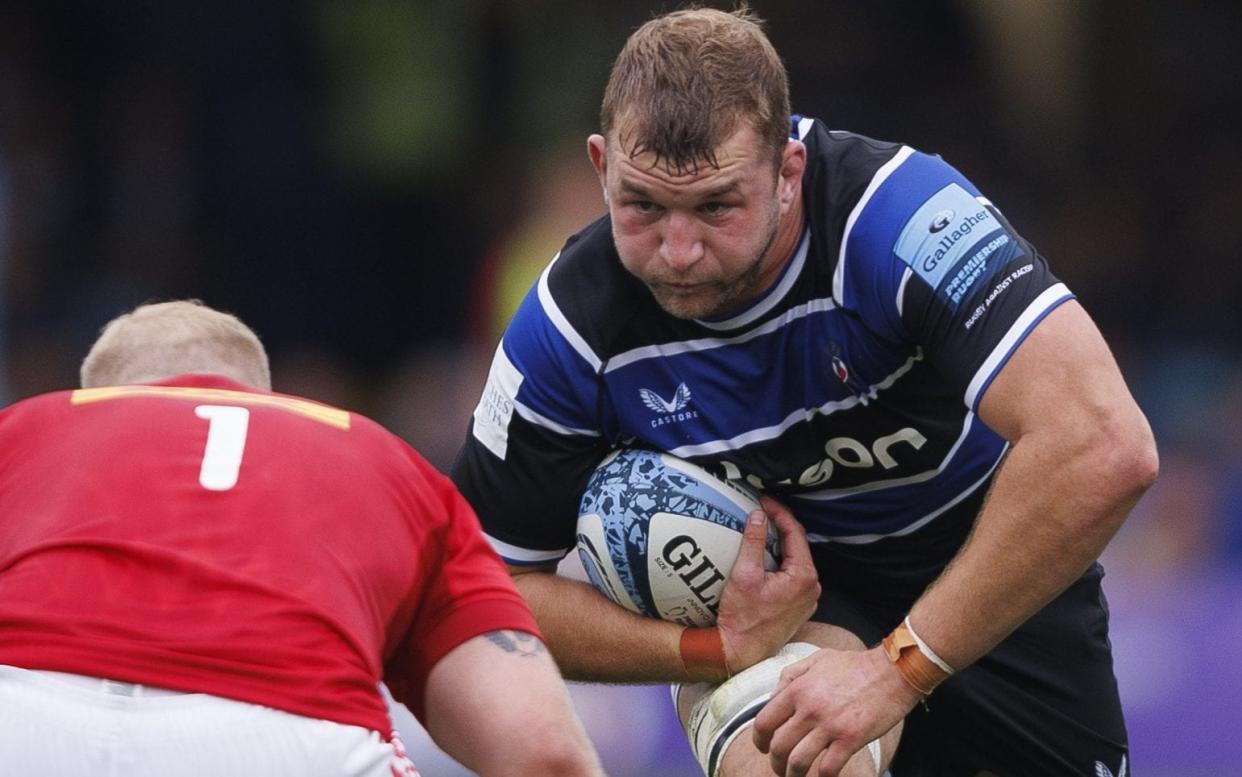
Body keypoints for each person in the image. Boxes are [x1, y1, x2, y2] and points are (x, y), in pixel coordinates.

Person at [450, 6, 1158, 777]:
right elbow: (487, 583)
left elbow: (1105, 442)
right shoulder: (569, 326)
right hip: (786, 608)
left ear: (788, 171)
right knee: (784, 749)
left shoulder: (898, 217)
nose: (678, 250)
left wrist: (896, 670)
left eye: (717, 205)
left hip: (986, 570)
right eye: (643, 205)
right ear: (601, 166)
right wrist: (705, 647)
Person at [0, 300, 605, 777]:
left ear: (92, 400)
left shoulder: (24, 430)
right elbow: (542, 752)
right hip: (290, 735)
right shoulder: (382, 458)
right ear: (265, 398)